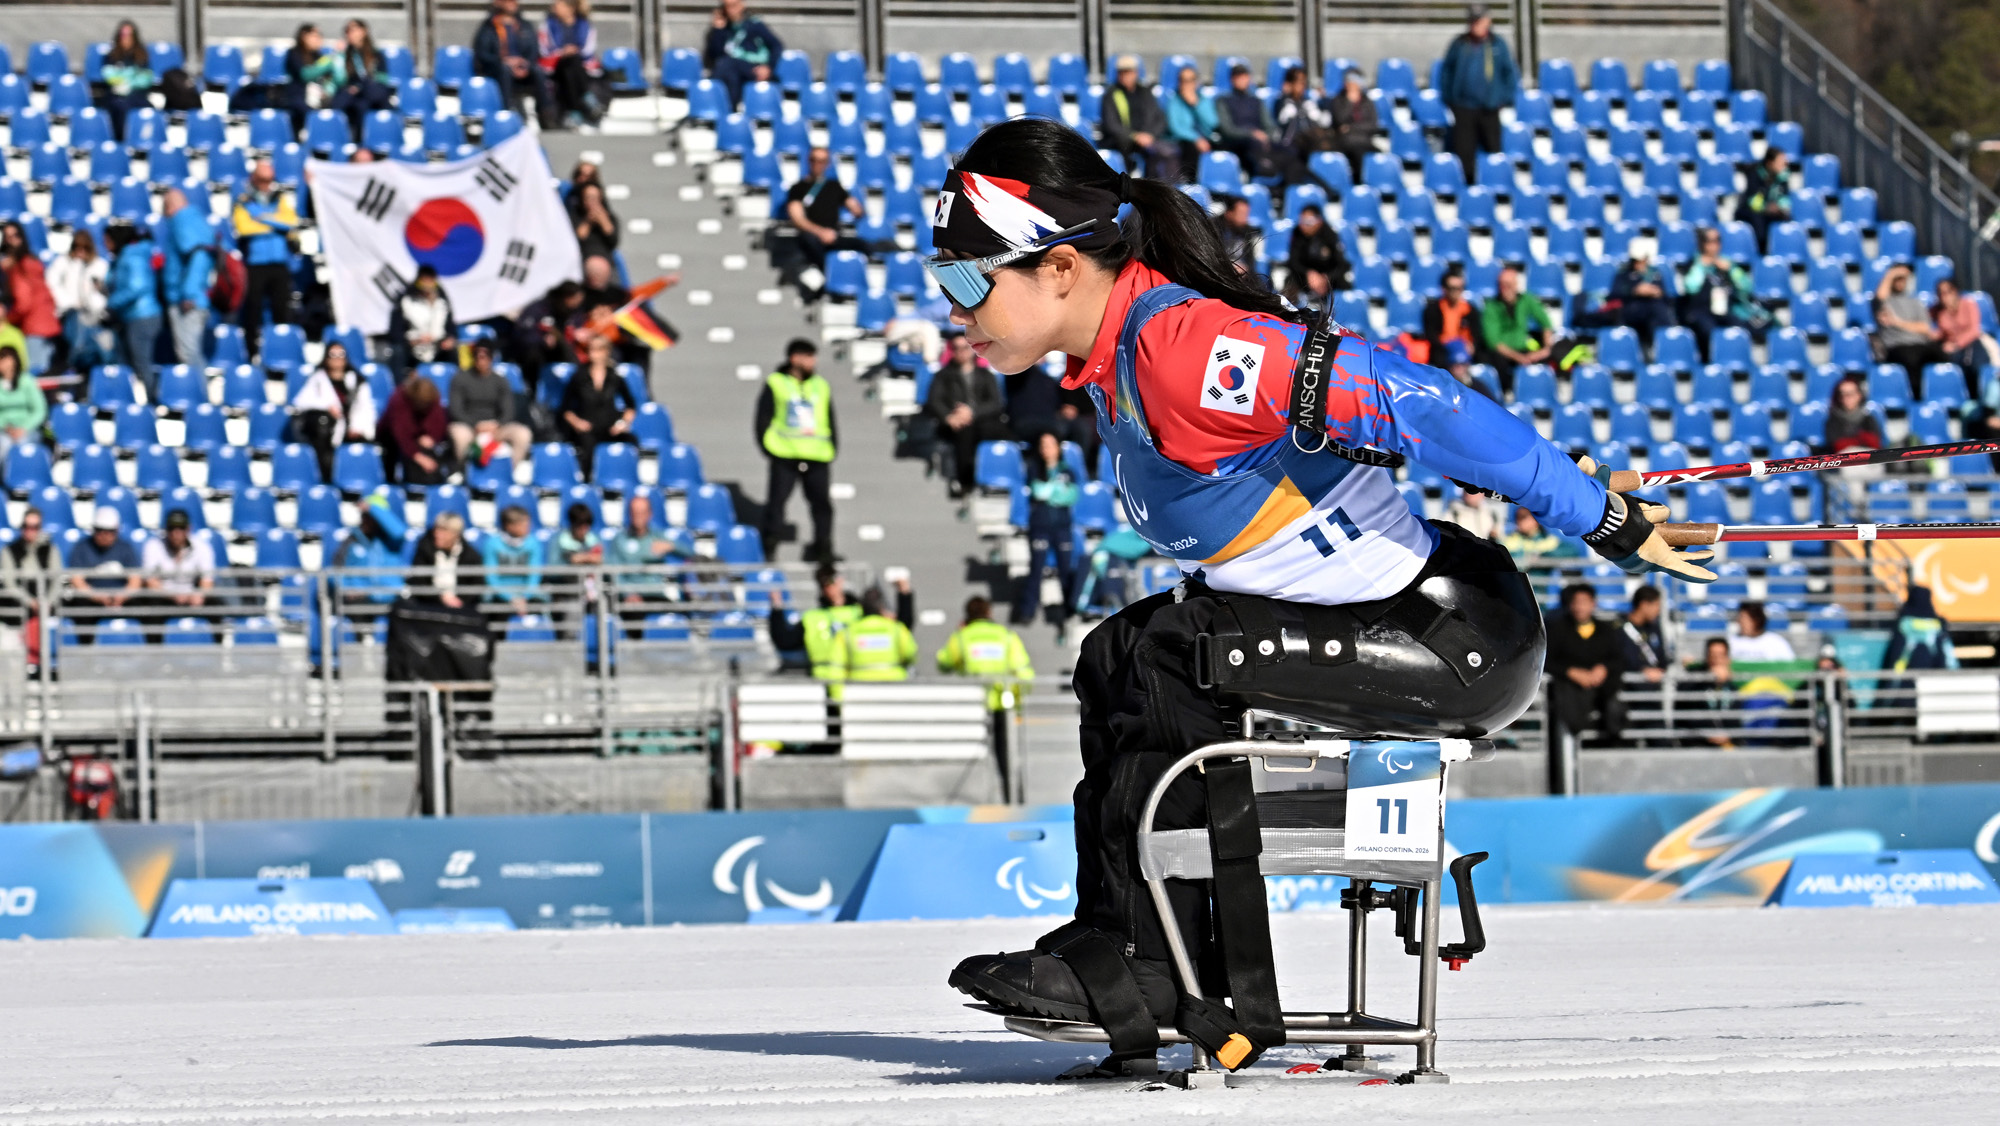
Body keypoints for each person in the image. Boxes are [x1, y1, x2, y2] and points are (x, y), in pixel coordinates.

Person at [933, 118, 1712, 1070]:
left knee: (1163, 654)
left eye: (967, 282)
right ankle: (1138, 946)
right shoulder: (1122, 357)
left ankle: (1156, 968)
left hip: (1448, 635)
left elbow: (1422, 403)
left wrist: (1594, 512)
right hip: (1395, 611)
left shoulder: (1183, 350)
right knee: (1113, 656)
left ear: (1060, 268)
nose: (955, 309)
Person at [756, 337, 837, 564]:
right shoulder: (776, 383)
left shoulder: (821, 385)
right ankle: (769, 547)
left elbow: (829, 418)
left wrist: (833, 447)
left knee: (822, 506)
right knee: (777, 504)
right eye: (808, 357)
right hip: (785, 454)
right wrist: (768, 447)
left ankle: (823, 549)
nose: (813, 362)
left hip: (817, 455)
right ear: (795, 358)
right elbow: (763, 418)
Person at [1437, 3, 1519, 180]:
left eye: (1480, 21)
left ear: (1488, 21)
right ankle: (1468, 186)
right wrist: (1450, 98)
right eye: (1473, 21)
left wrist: (1503, 98)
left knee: (1493, 150)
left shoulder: (1497, 44)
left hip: (1490, 108)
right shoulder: (1459, 44)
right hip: (1464, 107)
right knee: (1464, 152)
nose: (1477, 26)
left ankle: (1495, 184)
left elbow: (1509, 73)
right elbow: (1447, 71)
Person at [231, 158, 300, 365]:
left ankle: (283, 353)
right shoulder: (243, 201)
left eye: (269, 180)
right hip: (256, 265)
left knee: (282, 310)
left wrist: (261, 218)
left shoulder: (279, 199)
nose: (266, 184)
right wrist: (276, 224)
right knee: (253, 311)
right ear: (254, 179)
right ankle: (251, 353)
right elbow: (244, 229)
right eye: (262, 180)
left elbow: (291, 222)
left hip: (279, 264)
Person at [924, 329, 1009, 498]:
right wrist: (949, 417)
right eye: (957, 348)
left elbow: (996, 403)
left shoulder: (985, 375)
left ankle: (999, 479)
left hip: (983, 422)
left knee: (1005, 434)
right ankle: (965, 481)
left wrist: (972, 412)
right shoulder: (943, 376)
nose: (961, 352)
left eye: (965, 347)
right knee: (965, 433)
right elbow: (935, 401)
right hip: (956, 424)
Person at [1546, 583, 1625, 746]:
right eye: (1576, 602)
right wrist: (1570, 672)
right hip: (1570, 690)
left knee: (1614, 708)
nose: (1580, 607)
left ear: (1593, 603)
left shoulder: (1606, 630)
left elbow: (1618, 659)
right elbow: (1548, 661)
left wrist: (1603, 668)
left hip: (1602, 689)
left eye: (1584, 602)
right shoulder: (1557, 630)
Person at [1016, 431, 1080, 631]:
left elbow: (1071, 496)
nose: (1047, 450)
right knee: (1036, 569)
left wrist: (1050, 491)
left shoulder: (1068, 471)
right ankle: (1028, 610)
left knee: (1066, 570)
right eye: (1043, 445)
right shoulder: (1034, 468)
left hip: (1062, 527)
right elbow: (1038, 492)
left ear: (1058, 447)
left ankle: (1070, 610)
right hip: (1040, 526)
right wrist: (1056, 490)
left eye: (1051, 445)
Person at [293, 340, 377, 482]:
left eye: (341, 354)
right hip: (327, 433)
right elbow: (300, 402)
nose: (337, 358)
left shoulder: (357, 381)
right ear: (326, 357)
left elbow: (366, 408)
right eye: (333, 354)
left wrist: (357, 427)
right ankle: (325, 477)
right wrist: (327, 406)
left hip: (352, 431)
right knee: (321, 422)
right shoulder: (318, 379)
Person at [560, 333, 638, 480]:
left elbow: (631, 406)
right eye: (590, 349)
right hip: (588, 427)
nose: (593, 353)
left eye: (598, 349)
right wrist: (578, 423)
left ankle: (624, 480)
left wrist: (622, 423)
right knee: (586, 445)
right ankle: (586, 481)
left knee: (631, 441)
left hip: (610, 427)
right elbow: (566, 408)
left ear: (606, 351)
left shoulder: (614, 377)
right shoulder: (579, 376)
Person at [605, 492, 685, 633]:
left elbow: (691, 553)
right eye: (634, 512)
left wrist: (672, 546)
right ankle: (635, 647)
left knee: (681, 616)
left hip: (655, 595)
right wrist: (628, 594)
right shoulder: (619, 540)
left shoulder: (657, 535)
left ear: (649, 514)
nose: (638, 516)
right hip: (631, 598)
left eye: (642, 512)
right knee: (633, 614)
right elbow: (614, 572)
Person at [937, 596, 1035, 711]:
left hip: (972, 703)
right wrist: (1016, 697)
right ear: (989, 613)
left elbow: (944, 664)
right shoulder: (1007, 636)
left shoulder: (961, 637)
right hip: (1002, 704)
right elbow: (1023, 672)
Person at [62, 507, 143, 643]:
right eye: (100, 530)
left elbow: (135, 581)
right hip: (91, 600)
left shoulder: (125, 548)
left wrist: (121, 597)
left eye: (109, 531)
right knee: (81, 609)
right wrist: (99, 597)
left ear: (116, 531)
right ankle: (85, 650)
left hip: (121, 599)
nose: (104, 535)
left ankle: (149, 649)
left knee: (147, 606)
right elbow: (77, 581)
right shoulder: (82, 548)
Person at [785, 147, 869, 276]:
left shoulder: (834, 186)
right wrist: (821, 232)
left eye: (822, 161)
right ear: (808, 161)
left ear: (827, 163)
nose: (817, 164)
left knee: (863, 245)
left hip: (833, 236)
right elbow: (798, 219)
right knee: (809, 241)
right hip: (811, 237)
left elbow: (855, 208)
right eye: (814, 160)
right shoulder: (798, 188)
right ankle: (831, 277)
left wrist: (857, 209)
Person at [1678, 227, 1758, 362]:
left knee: (1741, 329)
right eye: (1709, 241)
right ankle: (1710, 363)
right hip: (1701, 311)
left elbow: (1746, 286)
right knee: (1709, 331)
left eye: (1717, 241)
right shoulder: (1694, 263)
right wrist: (1701, 266)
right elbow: (1690, 288)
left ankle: (1736, 363)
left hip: (1725, 310)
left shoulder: (1727, 263)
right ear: (1701, 243)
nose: (1714, 245)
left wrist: (1731, 270)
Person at [136, 509, 216, 643]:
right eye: (171, 528)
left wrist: (199, 595)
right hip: (164, 597)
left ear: (188, 529)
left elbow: (207, 581)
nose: (176, 533)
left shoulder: (202, 547)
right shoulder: (153, 545)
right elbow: (150, 581)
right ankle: (154, 652)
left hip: (192, 596)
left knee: (216, 608)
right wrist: (172, 595)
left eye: (180, 528)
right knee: (152, 611)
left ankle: (219, 650)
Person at [104, 221, 163, 399]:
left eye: (108, 240)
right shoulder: (123, 257)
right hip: (132, 316)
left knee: (141, 362)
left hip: (142, 316)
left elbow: (137, 287)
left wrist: (112, 303)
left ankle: (153, 400)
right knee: (131, 362)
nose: (105, 244)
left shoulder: (132, 257)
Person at [450, 340, 533, 466]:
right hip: (469, 426)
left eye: (485, 356)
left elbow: (508, 410)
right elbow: (456, 410)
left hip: (495, 427)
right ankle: (464, 470)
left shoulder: (500, 380)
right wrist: (475, 424)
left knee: (523, 434)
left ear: (492, 358)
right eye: (478, 355)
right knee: (460, 435)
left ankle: (508, 470)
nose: (481, 359)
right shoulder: (460, 378)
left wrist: (497, 425)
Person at [474, 0, 555, 128]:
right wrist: (502, 61)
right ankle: (506, 112)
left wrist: (524, 63)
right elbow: (482, 53)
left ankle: (545, 113)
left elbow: (533, 50)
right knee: (505, 70)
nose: (512, 3)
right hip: (497, 68)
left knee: (538, 71)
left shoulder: (525, 26)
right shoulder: (489, 27)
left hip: (522, 67)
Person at [1477, 264, 1553, 396]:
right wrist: (1519, 358)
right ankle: (1506, 393)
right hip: (1502, 353)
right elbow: (1493, 342)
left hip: (1521, 349)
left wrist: (1545, 349)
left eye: (1508, 285)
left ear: (1516, 285)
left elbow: (1545, 322)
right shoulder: (1491, 306)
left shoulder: (1526, 300)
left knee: (1545, 362)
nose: (1504, 289)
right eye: (1501, 285)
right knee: (1497, 362)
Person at [159, 188, 215, 369]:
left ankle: (198, 387)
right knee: (188, 352)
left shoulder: (183, 221)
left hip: (187, 299)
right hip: (190, 295)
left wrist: (189, 294)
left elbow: (199, 257)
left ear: (170, 206)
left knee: (188, 353)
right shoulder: (195, 220)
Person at [1097, 55, 1173, 181]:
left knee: (1167, 152)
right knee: (1123, 144)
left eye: (1129, 72)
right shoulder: (1111, 94)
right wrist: (1135, 136)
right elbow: (1111, 124)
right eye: (1122, 72)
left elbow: (1159, 119)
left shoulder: (1145, 92)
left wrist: (1150, 135)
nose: (1125, 75)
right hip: (1122, 140)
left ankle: (1154, 184)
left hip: (1146, 138)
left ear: (1136, 73)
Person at [0, 507, 57, 671]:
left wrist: (47, 602)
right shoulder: (10, 550)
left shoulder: (50, 550)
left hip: (45, 607)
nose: (30, 531)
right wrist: (30, 602)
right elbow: (10, 583)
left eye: (35, 527)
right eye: (26, 526)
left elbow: (57, 579)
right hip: (17, 610)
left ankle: (43, 667)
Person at [1594, 239, 1677, 351]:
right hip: (1632, 312)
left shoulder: (1656, 274)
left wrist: (1656, 292)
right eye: (1636, 260)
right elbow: (1614, 295)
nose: (1639, 263)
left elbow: (1667, 297)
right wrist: (1634, 291)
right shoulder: (1624, 274)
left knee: (1659, 311)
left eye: (1642, 260)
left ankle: (1661, 347)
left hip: (1653, 315)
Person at [48, 229, 111, 377]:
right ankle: (71, 364)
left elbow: (104, 293)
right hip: (69, 313)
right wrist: (69, 302)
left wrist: (91, 304)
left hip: (94, 316)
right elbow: (52, 284)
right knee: (76, 334)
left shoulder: (99, 265)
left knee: (100, 342)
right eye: (77, 247)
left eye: (85, 248)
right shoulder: (63, 263)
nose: (80, 252)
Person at [1, 221, 60, 376]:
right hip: (49, 326)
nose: (11, 241)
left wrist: (7, 319)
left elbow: (23, 303)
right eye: (7, 237)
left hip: (34, 328)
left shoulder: (20, 268)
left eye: (15, 236)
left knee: (35, 376)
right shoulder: (33, 263)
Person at [1874, 264, 1947, 388]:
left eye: (1903, 279)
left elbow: (1925, 327)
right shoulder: (1885, 303)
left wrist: (1897, 322)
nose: (1900, 282)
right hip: (1898, 346)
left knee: (1942, 355)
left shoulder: (1915, 302)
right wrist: (1893, 273)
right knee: (1911, 360)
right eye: (1897, 278)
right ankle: (1916, 395)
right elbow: (1880, 296)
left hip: (1920, 344)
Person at [703, 0, 782, 111]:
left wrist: (768, 67)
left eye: (734, 5)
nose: (731, 10)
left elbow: (776, 46)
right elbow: (715, 54)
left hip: (752, 67)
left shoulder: (754, 24)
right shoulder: (724, 29)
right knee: (730, 72)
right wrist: (718, 30)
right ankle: (729, 111)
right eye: (727, 6)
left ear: (741, 5)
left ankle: (722, 110)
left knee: (726, 64)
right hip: (730, 71)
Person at [379, 373, 455, 485]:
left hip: (419, 436)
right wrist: (420, 458)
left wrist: (431, 437)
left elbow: (438, 421)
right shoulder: (399, 399)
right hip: (390, 438)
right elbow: (401, 434)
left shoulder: (432, 397)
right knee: (394, 450)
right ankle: (391, 483)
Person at [539, 0, 603, 129]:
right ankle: (587, 97)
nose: (554, 7)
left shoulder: (585, 25)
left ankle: (575, 112)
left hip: (579, 65)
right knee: (569, 64)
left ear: (570, 8)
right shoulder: (548, 25)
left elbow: (589, 49)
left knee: (572, 64)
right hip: (556, 65)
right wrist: (562, 52)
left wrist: (574, 51)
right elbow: (544, 49)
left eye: (558, 5)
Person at [837, 587, 917, 682]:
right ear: (881, 607)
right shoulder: (896, 629)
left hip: (859, 684)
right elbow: (910, 654)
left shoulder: (848, 632)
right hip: (894, 683)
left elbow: (837, 664)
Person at [387, 265, 457, 374]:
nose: (427, 284)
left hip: (438, 346)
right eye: (424, 280)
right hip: (413, 347)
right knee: (398, 351)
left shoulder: (442, 300)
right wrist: (413, 341)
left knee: (454, 349)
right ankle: (399, 384)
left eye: (430, 280)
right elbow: (395, 331)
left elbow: (450, 326)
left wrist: (449, 339)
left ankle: (457, 382)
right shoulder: (406, 300)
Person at [1281, 204, 1349, 314]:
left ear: (1319, 221)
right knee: (1289, 284)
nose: (1304, 225)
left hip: (1328, 279)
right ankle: (1290, 316)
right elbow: (1293, 262)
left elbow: (1341, 265)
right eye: (1303, 220)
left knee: (1344, 289)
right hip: (1304, 277)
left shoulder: (1330, 235)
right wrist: (1308, 274)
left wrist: (1326, 279)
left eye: (1309, 221)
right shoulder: (1297, 233)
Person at [333, 20, 395, 136]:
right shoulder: (345, 55)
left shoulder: (376, 54)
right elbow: (340, 80)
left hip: (371, 92)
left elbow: (383, 78)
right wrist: (339, 55)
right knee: (351, 103)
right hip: (354, 96)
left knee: (372, 97)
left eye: (354, 30)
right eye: (348, 31)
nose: (351, 34)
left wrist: (361, 85)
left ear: (364, 31)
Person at [482, 505, 545, 618]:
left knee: (538, 605)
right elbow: (491, 578)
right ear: (509, 526)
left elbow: (534, 576)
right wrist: (511, 598)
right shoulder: (492, 544)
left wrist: (524, 597)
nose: (528, 527)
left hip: (527, 596)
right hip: (500, 595)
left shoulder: (533, 543)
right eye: (523, 524)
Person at [551, 500, 603, 639]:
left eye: (587, 525)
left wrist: (597, 561)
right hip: (568, 592)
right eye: (580, 525)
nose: (583, 529)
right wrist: (571, 562)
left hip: (592, 590)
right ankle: (570, 646)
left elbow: (607, 563)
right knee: (573, 608)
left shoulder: (594, 540)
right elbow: (552, 569)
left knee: (605, 605)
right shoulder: (559, 541)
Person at [97, 21, 156, 142]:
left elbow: (145, 79)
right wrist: (133, 75)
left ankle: (143, 141)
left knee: (149, 109)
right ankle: (121, 142)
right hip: (115, 97)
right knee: (120, 107)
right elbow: (110, 77)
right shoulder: (111, 56)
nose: (126, 38)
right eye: (123, 35)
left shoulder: (142, 55)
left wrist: (126, 80)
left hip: (137, 96)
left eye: (130, 35)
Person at [1420, 268, 1481, 381]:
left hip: (1465, 351)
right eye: (1452, 288)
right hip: (1443, 351)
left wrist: (1472, 345)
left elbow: (1477, 335)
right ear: (1444, 288)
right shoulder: (1432, 309)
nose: (1456, 292)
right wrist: (1449, 346)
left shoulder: (1470, 310)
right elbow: (1431, 335)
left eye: (1459, 288)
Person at [1160, 66, 1216, 185]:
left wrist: (1196, 104)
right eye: (1183, 80)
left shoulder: (1203, 100)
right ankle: (1189, 182)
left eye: (1190, 80)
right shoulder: (1174, 101)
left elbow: (1212, 123)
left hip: (1204, 139)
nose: (1186, 84)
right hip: (1182, 140)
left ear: (1196, 82)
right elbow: (1175, 127)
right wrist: (1196, 139)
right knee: (1191, 147)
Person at [1882, 585, 1957, 673]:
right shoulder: (1937, 626)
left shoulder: (1903, 624)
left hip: (1906, 675)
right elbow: (1944, 653)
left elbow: (1895, 652)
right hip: (1932, 674)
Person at [1323, 66, 1378, 183]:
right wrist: (1349, 102)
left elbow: (1373, 126)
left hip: (1364, 141)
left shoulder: (1367, 102)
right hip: (1344, 142)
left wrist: (1351, 127)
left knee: (1377, 156)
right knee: (1356, 152)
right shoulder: (1338, 100)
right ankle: (1359, 184)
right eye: (1348, 80)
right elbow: (1340, 121)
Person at [1271, 65, 1332, 170]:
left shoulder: (1309, 103)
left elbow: (1325, 121)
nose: (1301, 86)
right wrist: (1285, 95)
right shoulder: (1282, 102)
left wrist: (1324, 99)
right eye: (1298, 82)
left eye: (1303, 82)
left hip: (1311, 141)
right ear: (1289, 84)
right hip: (1293, 142)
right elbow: (1280, 123)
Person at [411, 511, 474, 608]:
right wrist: (441, 598)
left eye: (444, 531)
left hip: (460, 607)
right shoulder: (424, 549)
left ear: (455, 534)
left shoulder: (469, 554)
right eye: (437, 529)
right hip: (428, 605)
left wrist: (459, 602)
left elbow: (475, 584)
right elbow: (419, 582)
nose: (437, 534)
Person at [1933, 277, 1990, 383]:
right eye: (1940, 293)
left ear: (1955, 291)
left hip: (1971, 343)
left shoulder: (1968, 304)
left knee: (1978, 364)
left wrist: (1957, 344)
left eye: (1947, 292)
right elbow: (1940, 332)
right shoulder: (1938, 311)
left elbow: (1974, 330)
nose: (1944, 296)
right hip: (1952, 348)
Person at [0, 345, 47, 472]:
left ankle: (24, 477)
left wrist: (23, 428)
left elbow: (39, 410)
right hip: (4, 430)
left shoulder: (26, 381)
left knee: (21, 443)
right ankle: (6, 479)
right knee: (4, 445)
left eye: (4, 358)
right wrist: (5, 426)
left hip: (27, 429)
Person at [1740, 148, 1791, 254]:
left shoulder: (1783, 176)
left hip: (1773, 213)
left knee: (1788, 220)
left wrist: (1780, 206)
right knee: (1758, 223)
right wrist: (1766, 207)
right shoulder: (1754, 175)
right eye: (1781, 162)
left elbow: (1785, 198)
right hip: (1753, 213)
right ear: (1770, 163)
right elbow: (1752, 201)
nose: (1784, 165)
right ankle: (1760, 253)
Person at [1618, 585, 1670, 686]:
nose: (1658, 610)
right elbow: (1620, 658)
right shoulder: (1619, 628)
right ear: (1644, 605)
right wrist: (1642, 669)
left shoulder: (1655, 628)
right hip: (1629, 685)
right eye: (1656, 605)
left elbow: (1662, 658)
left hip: (1657, 684)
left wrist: (1660, 670)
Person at [1824, 375, 1882, 454]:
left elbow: (1875, 444)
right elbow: (1837, 445)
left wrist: (1852, 441)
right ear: (1839, 398)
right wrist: (1862, 438)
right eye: (1843, 394)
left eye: (1851, 393)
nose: (1847, 398)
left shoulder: (1869, 419)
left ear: (1859, 395)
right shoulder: (1833, 421)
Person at [1695, 637, 1736, 748]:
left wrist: (1729, 735)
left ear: (1727, 659)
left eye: (1720, 656)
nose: (1716, 660)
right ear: (1707, 658)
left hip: (1729, 744)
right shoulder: (1694, 684)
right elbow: (1688, 716)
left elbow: (1737, 719)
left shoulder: (1733, 687)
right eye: (1713, 655)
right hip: (1700, 744)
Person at [1501, 505, 1579, 559]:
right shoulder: (1511, 540)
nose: (1519, 521)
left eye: (1524, 517)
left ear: (1536, 520)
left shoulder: (1549, 540)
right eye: (1518, 517)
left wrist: (1545, 555)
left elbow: (1572, 551)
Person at [1729, 600, 1795, 662]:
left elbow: (1790, 665)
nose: (1740, 623)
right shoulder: (1732, 642)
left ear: (1757, 620)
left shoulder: (1776, 642)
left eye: (1746, 620)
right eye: (1740, 619)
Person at [570, 181, 620, 262]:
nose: (592, 202)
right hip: (581, 259)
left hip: (605, 260)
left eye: (595, 198)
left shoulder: (610, 217)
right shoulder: (575, 217)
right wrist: (588, 222)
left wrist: (603, 220)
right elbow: (576, 239)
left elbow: (613, 239)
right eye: (588, 198)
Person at [1213, 195, 1258, 274]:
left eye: (1246, 214)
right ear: (1229, 213)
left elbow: (1250, 261)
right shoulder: (1213, 227)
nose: (1245, 219)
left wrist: (1245, 268)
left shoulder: (1246, 231)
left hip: (1241, 274)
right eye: (1241, 214)